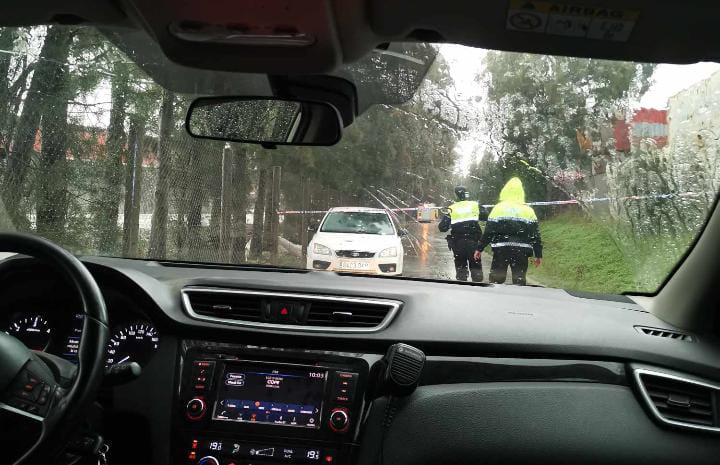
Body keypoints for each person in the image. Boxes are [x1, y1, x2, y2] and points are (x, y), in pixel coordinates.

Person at [474, 177, 542, 285]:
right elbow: (535, 235)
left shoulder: (498, 208)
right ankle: (518, 301)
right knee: (519, 281)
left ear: (505, 190)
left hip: (501, 249)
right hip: (522, 251)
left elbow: (489, 232)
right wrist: (538, 254)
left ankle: (496, 300)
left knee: (496, 280)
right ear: (521, 192)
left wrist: (479, 248)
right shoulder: (528, 211)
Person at [438, 186, 487, 282]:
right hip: (473, 243)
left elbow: (442, 227)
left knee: (461, 274)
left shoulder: (451, 208)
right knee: (476, 273)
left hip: (458, 244)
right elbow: (486, 216)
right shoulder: (474, 205)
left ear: (455, 196)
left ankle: (462, 290)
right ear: (466, 194)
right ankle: (478, 291)